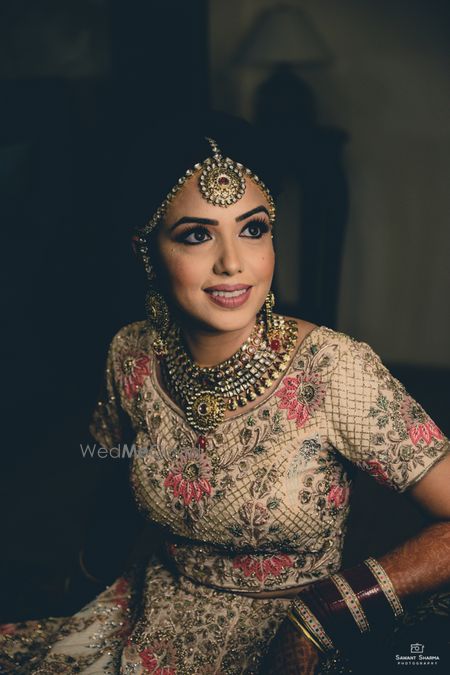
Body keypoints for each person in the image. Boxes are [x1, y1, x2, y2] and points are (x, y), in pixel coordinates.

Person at [1, 113, 449, 674]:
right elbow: (116, 485)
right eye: (196, 235)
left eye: (253, 229)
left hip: (299, 640)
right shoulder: (133, 355)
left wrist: (325, 613)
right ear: (148, 250)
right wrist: (79, 586)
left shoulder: (332, 368)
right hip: (151, 619)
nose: (233, 262)